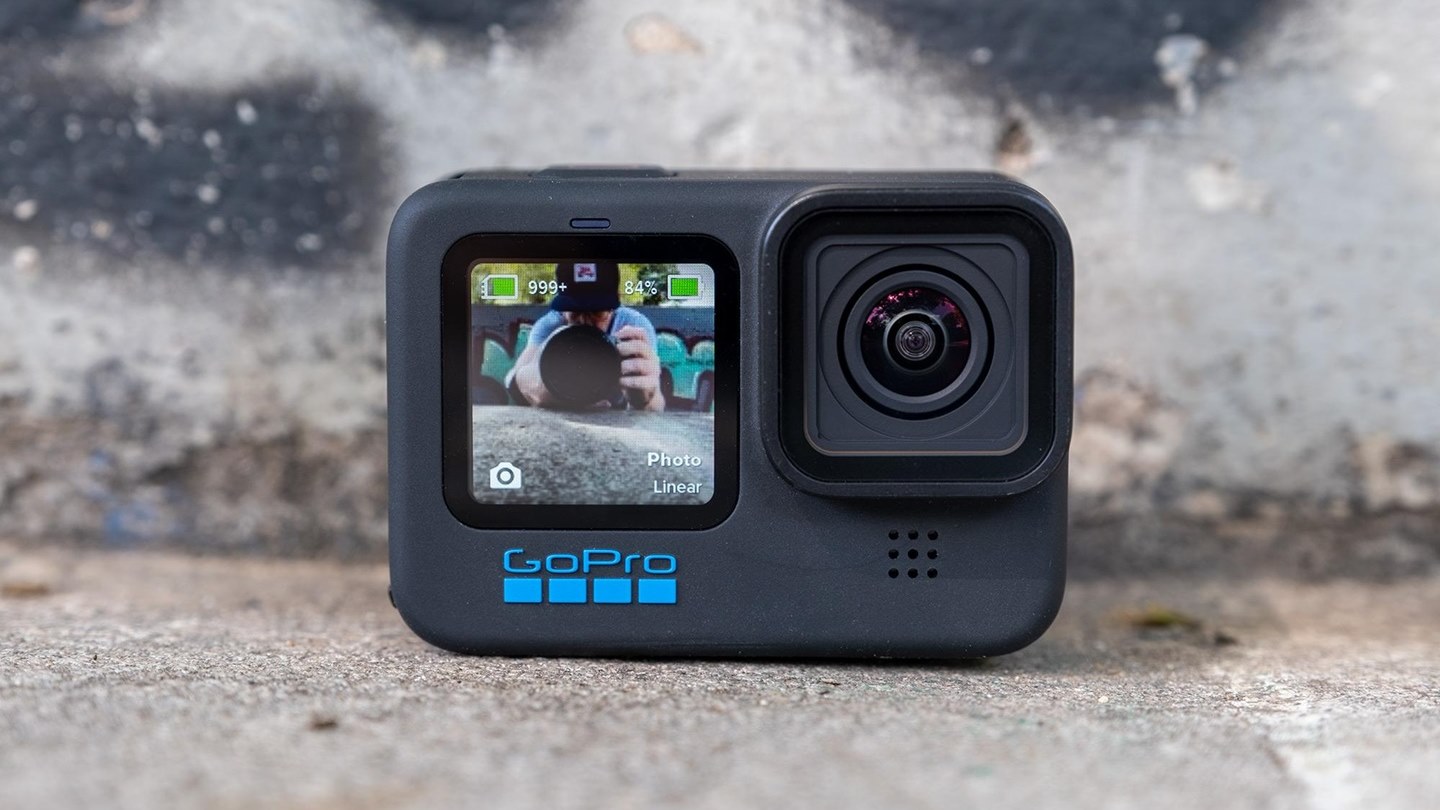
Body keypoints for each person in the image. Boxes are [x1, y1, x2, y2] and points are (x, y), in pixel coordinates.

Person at [508, 260, 666, 412]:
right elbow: (514, 378)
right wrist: (539, 385)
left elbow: (657, 403)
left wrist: (645, 399)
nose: (584, 321)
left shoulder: (634, 325)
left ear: (616, 304)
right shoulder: (550, 325)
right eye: (575, 311)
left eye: (597, 312)